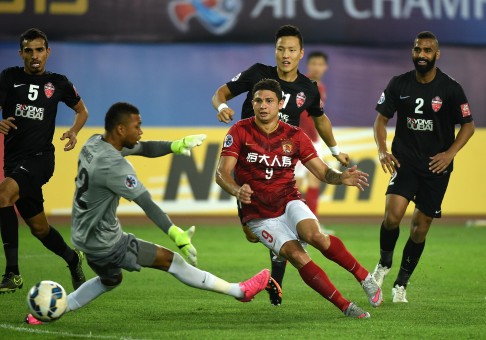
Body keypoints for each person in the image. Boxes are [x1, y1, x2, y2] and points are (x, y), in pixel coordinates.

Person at [25, 102, 280, 324]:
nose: (141, 131)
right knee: (173, 262)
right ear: (121, 129)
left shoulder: (94, 144)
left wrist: (176, 145)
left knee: (111, 279)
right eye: (137, 126)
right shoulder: (115, 167)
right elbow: (147, 203)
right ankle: (239, 291)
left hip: (84, 238)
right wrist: (174, 232)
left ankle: (48, 310)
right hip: (107, 243)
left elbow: (144, 148)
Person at [216, 79, 382, 318]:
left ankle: (364, 278)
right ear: (252, 103)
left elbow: (322, 171)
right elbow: (221, 173)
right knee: (296, 255)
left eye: (269, 101)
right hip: (258, 215)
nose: (263, 106)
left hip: (288, 200)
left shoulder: (294, 135)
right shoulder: (239, 131)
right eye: (258, 100)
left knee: (314, 236)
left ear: (280, 104)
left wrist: (340, 178)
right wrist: (235, 190)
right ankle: (346, 306)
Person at [211, 24, 349, 306]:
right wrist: (220, 107)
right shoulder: (257, 74)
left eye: (291, 50)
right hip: (250, 165)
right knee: (252, 235)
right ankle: (278, 252)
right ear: (275, 51)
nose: (285, 55)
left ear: (300, 53)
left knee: (282, 224)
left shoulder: (308, 87)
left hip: (283, 160)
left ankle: (276, 280)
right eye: (281, 49)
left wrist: (335, 150)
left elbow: (320, 119)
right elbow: (221, 93)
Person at [372, 31, 475, 303]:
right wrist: (382, 149)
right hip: (405, 162)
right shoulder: (399, 84)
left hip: (436, 167)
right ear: (413, 52)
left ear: (436, 54)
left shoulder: (450, 88)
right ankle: (384, 263)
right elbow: (381, 120)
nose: (422, 55)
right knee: (392, 216)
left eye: (428, 51)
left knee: (420, 227)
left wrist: (450, 154)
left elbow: (469, 125)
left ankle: (401, 285)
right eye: (418, 50)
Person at [0, 28, 88, 294]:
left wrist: (73, 131)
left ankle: (12, 273)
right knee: (39, 229)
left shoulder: (58, 83)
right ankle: (73, 259)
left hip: (40, 159)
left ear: (48, 52)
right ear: (21, 53)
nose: (34, 56)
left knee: (4, 194)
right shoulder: (9, 77)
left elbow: (82, 111)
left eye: (39, 50)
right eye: (29, 51)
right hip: (14, 161)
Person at [295, 51, 334, 234]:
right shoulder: (302, 85)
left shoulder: (322, 87)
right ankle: (290, 221)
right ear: (308, 65)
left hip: (314, 141)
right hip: (298, 140)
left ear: (325, 67)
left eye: (321, 64)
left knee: (314, 180)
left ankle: (314, 224)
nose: (317, 67)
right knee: (294, 183)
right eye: (314, 63)